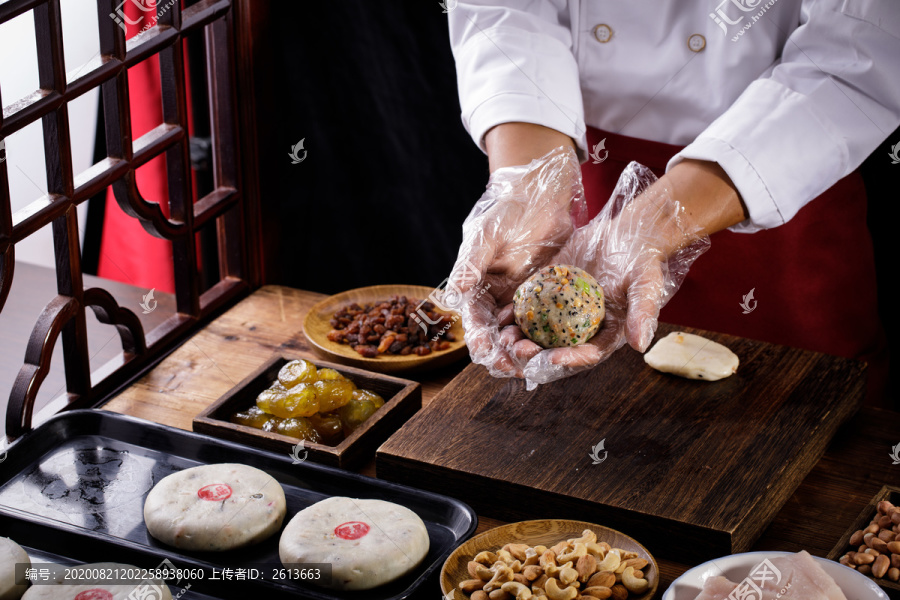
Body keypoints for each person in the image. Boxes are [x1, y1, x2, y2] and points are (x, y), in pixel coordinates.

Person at [445, 1, 900, 399]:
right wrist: (531, 186)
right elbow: (507, 10)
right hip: (583, 183)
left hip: (784, 190)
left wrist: (659, 219)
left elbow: (860, 54)